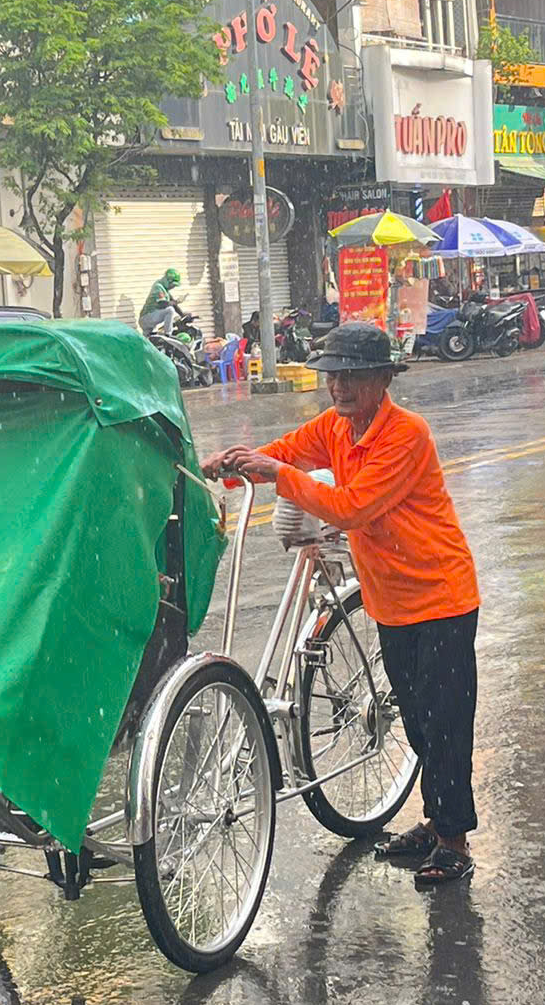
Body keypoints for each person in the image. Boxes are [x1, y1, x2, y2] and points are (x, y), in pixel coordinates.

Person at [202, 320, 481, 886]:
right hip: (391, 600)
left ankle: (453, 840)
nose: (339, 388)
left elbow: (351, 508)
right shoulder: (336, 427)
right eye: (333, 376)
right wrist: (238, 464)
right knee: (421, 722)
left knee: (446, 722)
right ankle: (436, 819)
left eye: (351, 376)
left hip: (441, 596)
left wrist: (279, 474)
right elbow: (286, 453)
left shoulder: (406, 434)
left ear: (382, 379)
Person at [139, 268, 182, 338]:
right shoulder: (158, 287)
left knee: (148, 340)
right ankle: (168, 333)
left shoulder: (165, 289)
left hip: (149, 318)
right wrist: (175, 302)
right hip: (147, 317)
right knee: (170, 310)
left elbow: (173, 302)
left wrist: (182, 315)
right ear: (168, 281)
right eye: (172, 285)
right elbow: (163, 303)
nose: (173, 287)